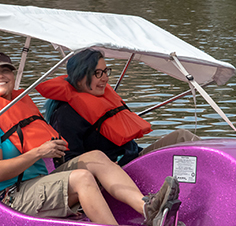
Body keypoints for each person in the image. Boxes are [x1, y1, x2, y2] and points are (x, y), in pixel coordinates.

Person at [0, 51, 179, 226]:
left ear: (14, 77)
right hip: (11, 197)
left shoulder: (19, 108)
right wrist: (39, 152)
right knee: (81, 177)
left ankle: (147, 209)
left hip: (36, 183)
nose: (1, 76)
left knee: (95, 157)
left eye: (6, 71)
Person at [37, 49, 200, 168]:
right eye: (98, 73)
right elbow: (69, 160)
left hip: (136, 158)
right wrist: (103, 167)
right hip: (120, 173)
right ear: (80, 78)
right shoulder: (65, 114)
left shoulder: (102, 100)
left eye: (106, 71)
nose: (106, 78)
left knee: (183, 137)